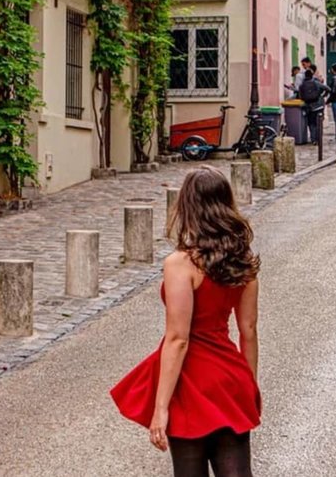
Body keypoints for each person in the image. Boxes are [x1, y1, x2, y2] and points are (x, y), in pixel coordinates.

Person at [111, 166, 262, 477]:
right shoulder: (242, 261)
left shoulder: (180, 264)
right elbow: (248, 331)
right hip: (229, 378)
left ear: (188, 207)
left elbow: (178, 338)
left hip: (190, 382)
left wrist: (161, 407)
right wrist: (249, 387)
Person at [298, 68, 330, 145]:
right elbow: (328, 89)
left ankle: (313, 140)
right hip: (318, 105)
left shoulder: (302, 85)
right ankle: (319, 139)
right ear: (312, 75)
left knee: (311, 124)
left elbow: (300, 96)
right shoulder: (316, 83)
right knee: (319, 123)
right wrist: (323, 95)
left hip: (308, 107)